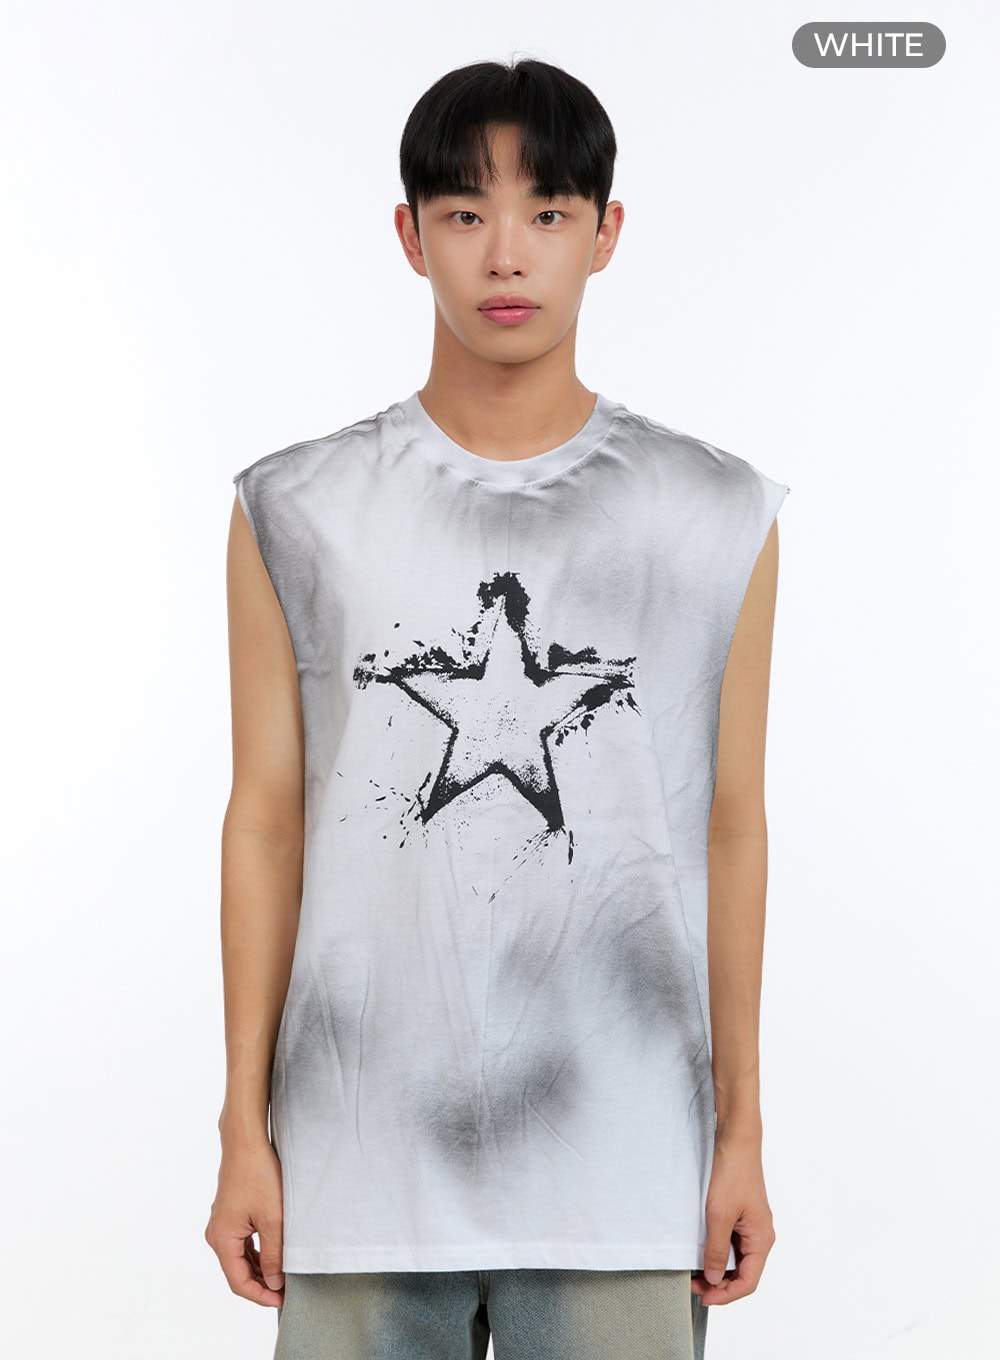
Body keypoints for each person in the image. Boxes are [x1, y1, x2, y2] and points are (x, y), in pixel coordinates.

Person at [205, 56, 788, 1360]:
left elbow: (733, 827)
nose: (506, 254)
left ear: (605, 233)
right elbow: (266, 822)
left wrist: (740, 1130)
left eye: (548, 211)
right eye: (465, 212)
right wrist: (244, 1127)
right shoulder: (295, 508)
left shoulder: (712, 513)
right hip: (357, 1170)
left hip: (623, 1168)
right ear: (410, 236)